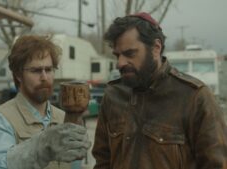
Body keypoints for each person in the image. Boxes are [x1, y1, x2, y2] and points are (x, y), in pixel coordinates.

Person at [92, 12, 227, 169]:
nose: (120, 63)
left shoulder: (194, 96)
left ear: (156, 48)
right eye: (117, 55)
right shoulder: (113, 94)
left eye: (130, 53)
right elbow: (102, 160)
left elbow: (217, 164)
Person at [0, 35, 91, 169]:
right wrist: (41, 147)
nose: (44, 77)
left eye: (49, 69)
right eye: (36, 70)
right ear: (18, 75)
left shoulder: (63, 118)